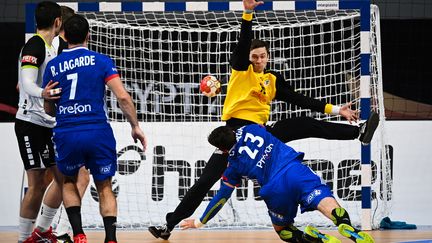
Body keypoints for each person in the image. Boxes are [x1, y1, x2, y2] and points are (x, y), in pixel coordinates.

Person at [148, 0, 379, 240]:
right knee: (205, 181)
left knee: (304, 123)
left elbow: (299, 99)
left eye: (262, 56)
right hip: (235, 134)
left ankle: (359, 133)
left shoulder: (271, 79)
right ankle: (169, 225)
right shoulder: (241, 72)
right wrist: (247, 14)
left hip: (262, 131)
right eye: (254, 57)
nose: (259, 61)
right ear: (248, 58)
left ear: (268, 56)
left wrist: (336, 110)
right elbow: (242, 46)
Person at [42, 14, 147, 243]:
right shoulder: (101, 61)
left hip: (67, 131)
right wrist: (135, 126)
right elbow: (123, 97)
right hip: (97, 130)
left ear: (64, 36)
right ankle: (110, 239)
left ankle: (78, 233)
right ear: (89, 35)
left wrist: (50, 100)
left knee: (69, 181)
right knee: (104, 186)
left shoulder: (52, 66)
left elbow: (49, 109)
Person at [180, 124, 375, 243]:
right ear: (232, 130)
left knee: (284, 231)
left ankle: (318, 240)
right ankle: (346, 227)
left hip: (274, 190)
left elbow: (222, 197)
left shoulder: (232, 166)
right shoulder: (252, 128)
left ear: (222, 150)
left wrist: (200, 221)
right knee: (324, 200)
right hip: (294, 170)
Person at [15, 2, 64, 242]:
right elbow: (26, 82)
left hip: (46, 124)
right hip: (29, 123)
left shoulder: (50, 47)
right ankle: (24, 238)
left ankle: (42, 230)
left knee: (61, 177)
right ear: (57, 22)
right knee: (35, 183)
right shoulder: (35, 45)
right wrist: (42, 93)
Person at [50, 6, 92, 243]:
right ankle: (58, 229)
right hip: (64, 122)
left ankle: (54, 229)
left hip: (56, 121)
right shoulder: (60, 51)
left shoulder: (53, 48)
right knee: (73, 178)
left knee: (64, 179)